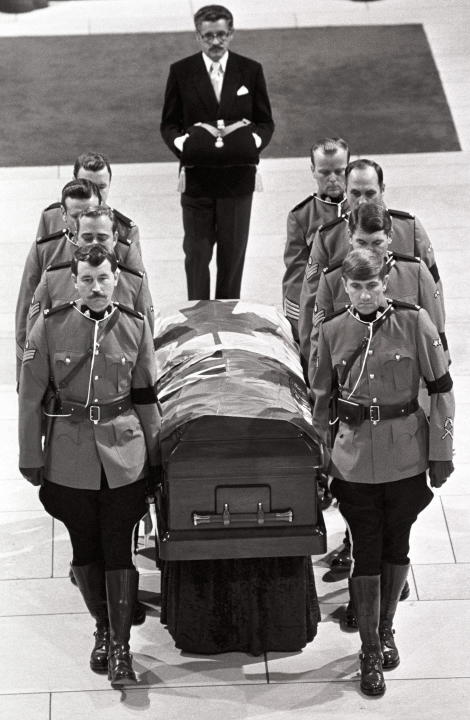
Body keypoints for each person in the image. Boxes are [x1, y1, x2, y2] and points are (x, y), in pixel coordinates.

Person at [311, 248, 454, 696]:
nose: (365, 294)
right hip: (354, 458)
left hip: (406, 453)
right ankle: (369, 650)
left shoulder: (414, 323)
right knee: (366, 549)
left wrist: (441, 452)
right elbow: (321, 401)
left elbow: (442, 389)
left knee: (398, 543)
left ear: (386, 281)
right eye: (356, 286)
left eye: (372, 284)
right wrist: (320, 461)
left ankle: (386, 627)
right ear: (346, 288)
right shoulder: (333, 330)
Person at [18, 245, 161, 688]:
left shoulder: (135, 327)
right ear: (74, 282)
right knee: (86, 549)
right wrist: (31, 457)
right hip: (70, 456)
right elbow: (29, 397)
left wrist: (156, 461)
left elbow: (145, 398)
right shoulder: (49, 326)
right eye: (86, 280)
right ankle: (102, 626)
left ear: (116, 279)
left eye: (103, 279)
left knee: (119, 548)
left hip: (123, 455)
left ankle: (120, 647)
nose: (95, 288)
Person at [160, 4, 274, 300]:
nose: (215, 42)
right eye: (208, 35)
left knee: (232, 256)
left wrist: (253, 144)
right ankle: (197, 321)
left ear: (231, 34)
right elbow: (169, 124)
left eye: (221, 34)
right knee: (196, 255)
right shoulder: (181, 72)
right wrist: (184, 146)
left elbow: (265, 121)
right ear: (198, 36)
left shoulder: (250, 70)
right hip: (197, 180)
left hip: (237, 181)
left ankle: (227, 322)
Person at [298, 158, 444, 369]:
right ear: (345, 191)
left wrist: (440, 351)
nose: (363, 201)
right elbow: (312, 304)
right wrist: (311, 363)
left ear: (382, 189)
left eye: (370, 193)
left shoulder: (409, 229)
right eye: (355, 193)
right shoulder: (328, 237)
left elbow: (434, 295)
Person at [15, 179, 101, 383]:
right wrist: (24, 378)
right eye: (76, 216)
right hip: (60, 371)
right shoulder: (46, 251)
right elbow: (27, 313)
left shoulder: (121, 252)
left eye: (90, 214)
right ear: (63, 214)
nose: (83, 222)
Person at [28, 206, 154, 337]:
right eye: (87, 238)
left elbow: (146, 338)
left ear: (115, 238)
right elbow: (34, 338)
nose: (95, 243)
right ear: (76, 238)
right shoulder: (52, 279)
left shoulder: (135, 283)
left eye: (102, 238)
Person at [282, 138, 349, 340]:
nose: (333, 178)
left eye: (339, 171)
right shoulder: (301, 216)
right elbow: (296, 275)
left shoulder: (362, 210)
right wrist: (299, 322)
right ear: (313, 170)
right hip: (318, 310)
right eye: (325, 172)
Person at [36, 151, 141, 255]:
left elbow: (132, 270)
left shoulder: (126, 230)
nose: (94, 193)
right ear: (74, 181)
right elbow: (40, 257)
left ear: (109, 185)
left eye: (101, 187)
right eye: (87, 184)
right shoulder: (51, 217)